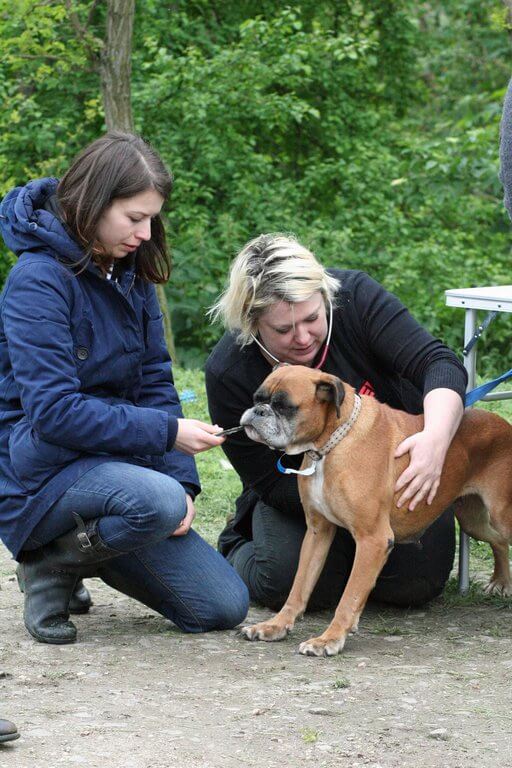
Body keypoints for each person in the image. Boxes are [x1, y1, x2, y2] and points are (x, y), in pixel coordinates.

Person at [0, 132, 248, 645]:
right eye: (134, 218)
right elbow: (53, 412)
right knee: (155, 501)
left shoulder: (132, 273)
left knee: (222, 606)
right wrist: (167, 436)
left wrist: (182, 483)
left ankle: (89, 547)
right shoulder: (37, 280)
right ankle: (50, 563)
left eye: (152, 219)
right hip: (39, 471)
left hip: (119, 469)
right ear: (93, 201)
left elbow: (156, 380)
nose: (145, 233)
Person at [205, 233, 468, 611]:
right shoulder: (228, 370)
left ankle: (353, 558)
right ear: (252, 322)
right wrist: (344, 503)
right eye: (283, 330)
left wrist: (436, 438)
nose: (302, 337)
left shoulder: (357, 297)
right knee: (283, 579)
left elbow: (438, 363)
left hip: (397, 472)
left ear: (325, 296)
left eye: (313, 318)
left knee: (414, 583)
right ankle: (236, 549)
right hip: (295, 488)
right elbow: (268, 482)